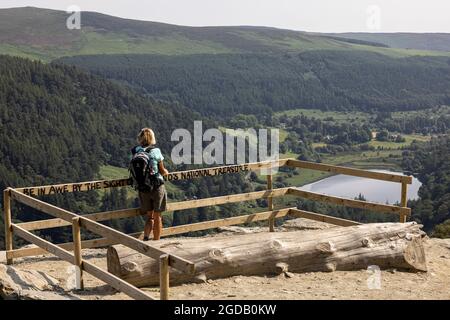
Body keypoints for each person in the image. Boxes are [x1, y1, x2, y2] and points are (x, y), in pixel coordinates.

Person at [133, 128, 169, 241]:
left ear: (140, 138)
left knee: (149, 216)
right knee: (158, 216)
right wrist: (166, 172)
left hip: (143, 187)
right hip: (156, 186)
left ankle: (146, 238)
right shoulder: (156, 151)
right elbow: (162, 170)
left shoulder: (136, 151)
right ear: (152, 138)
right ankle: (157, 242)